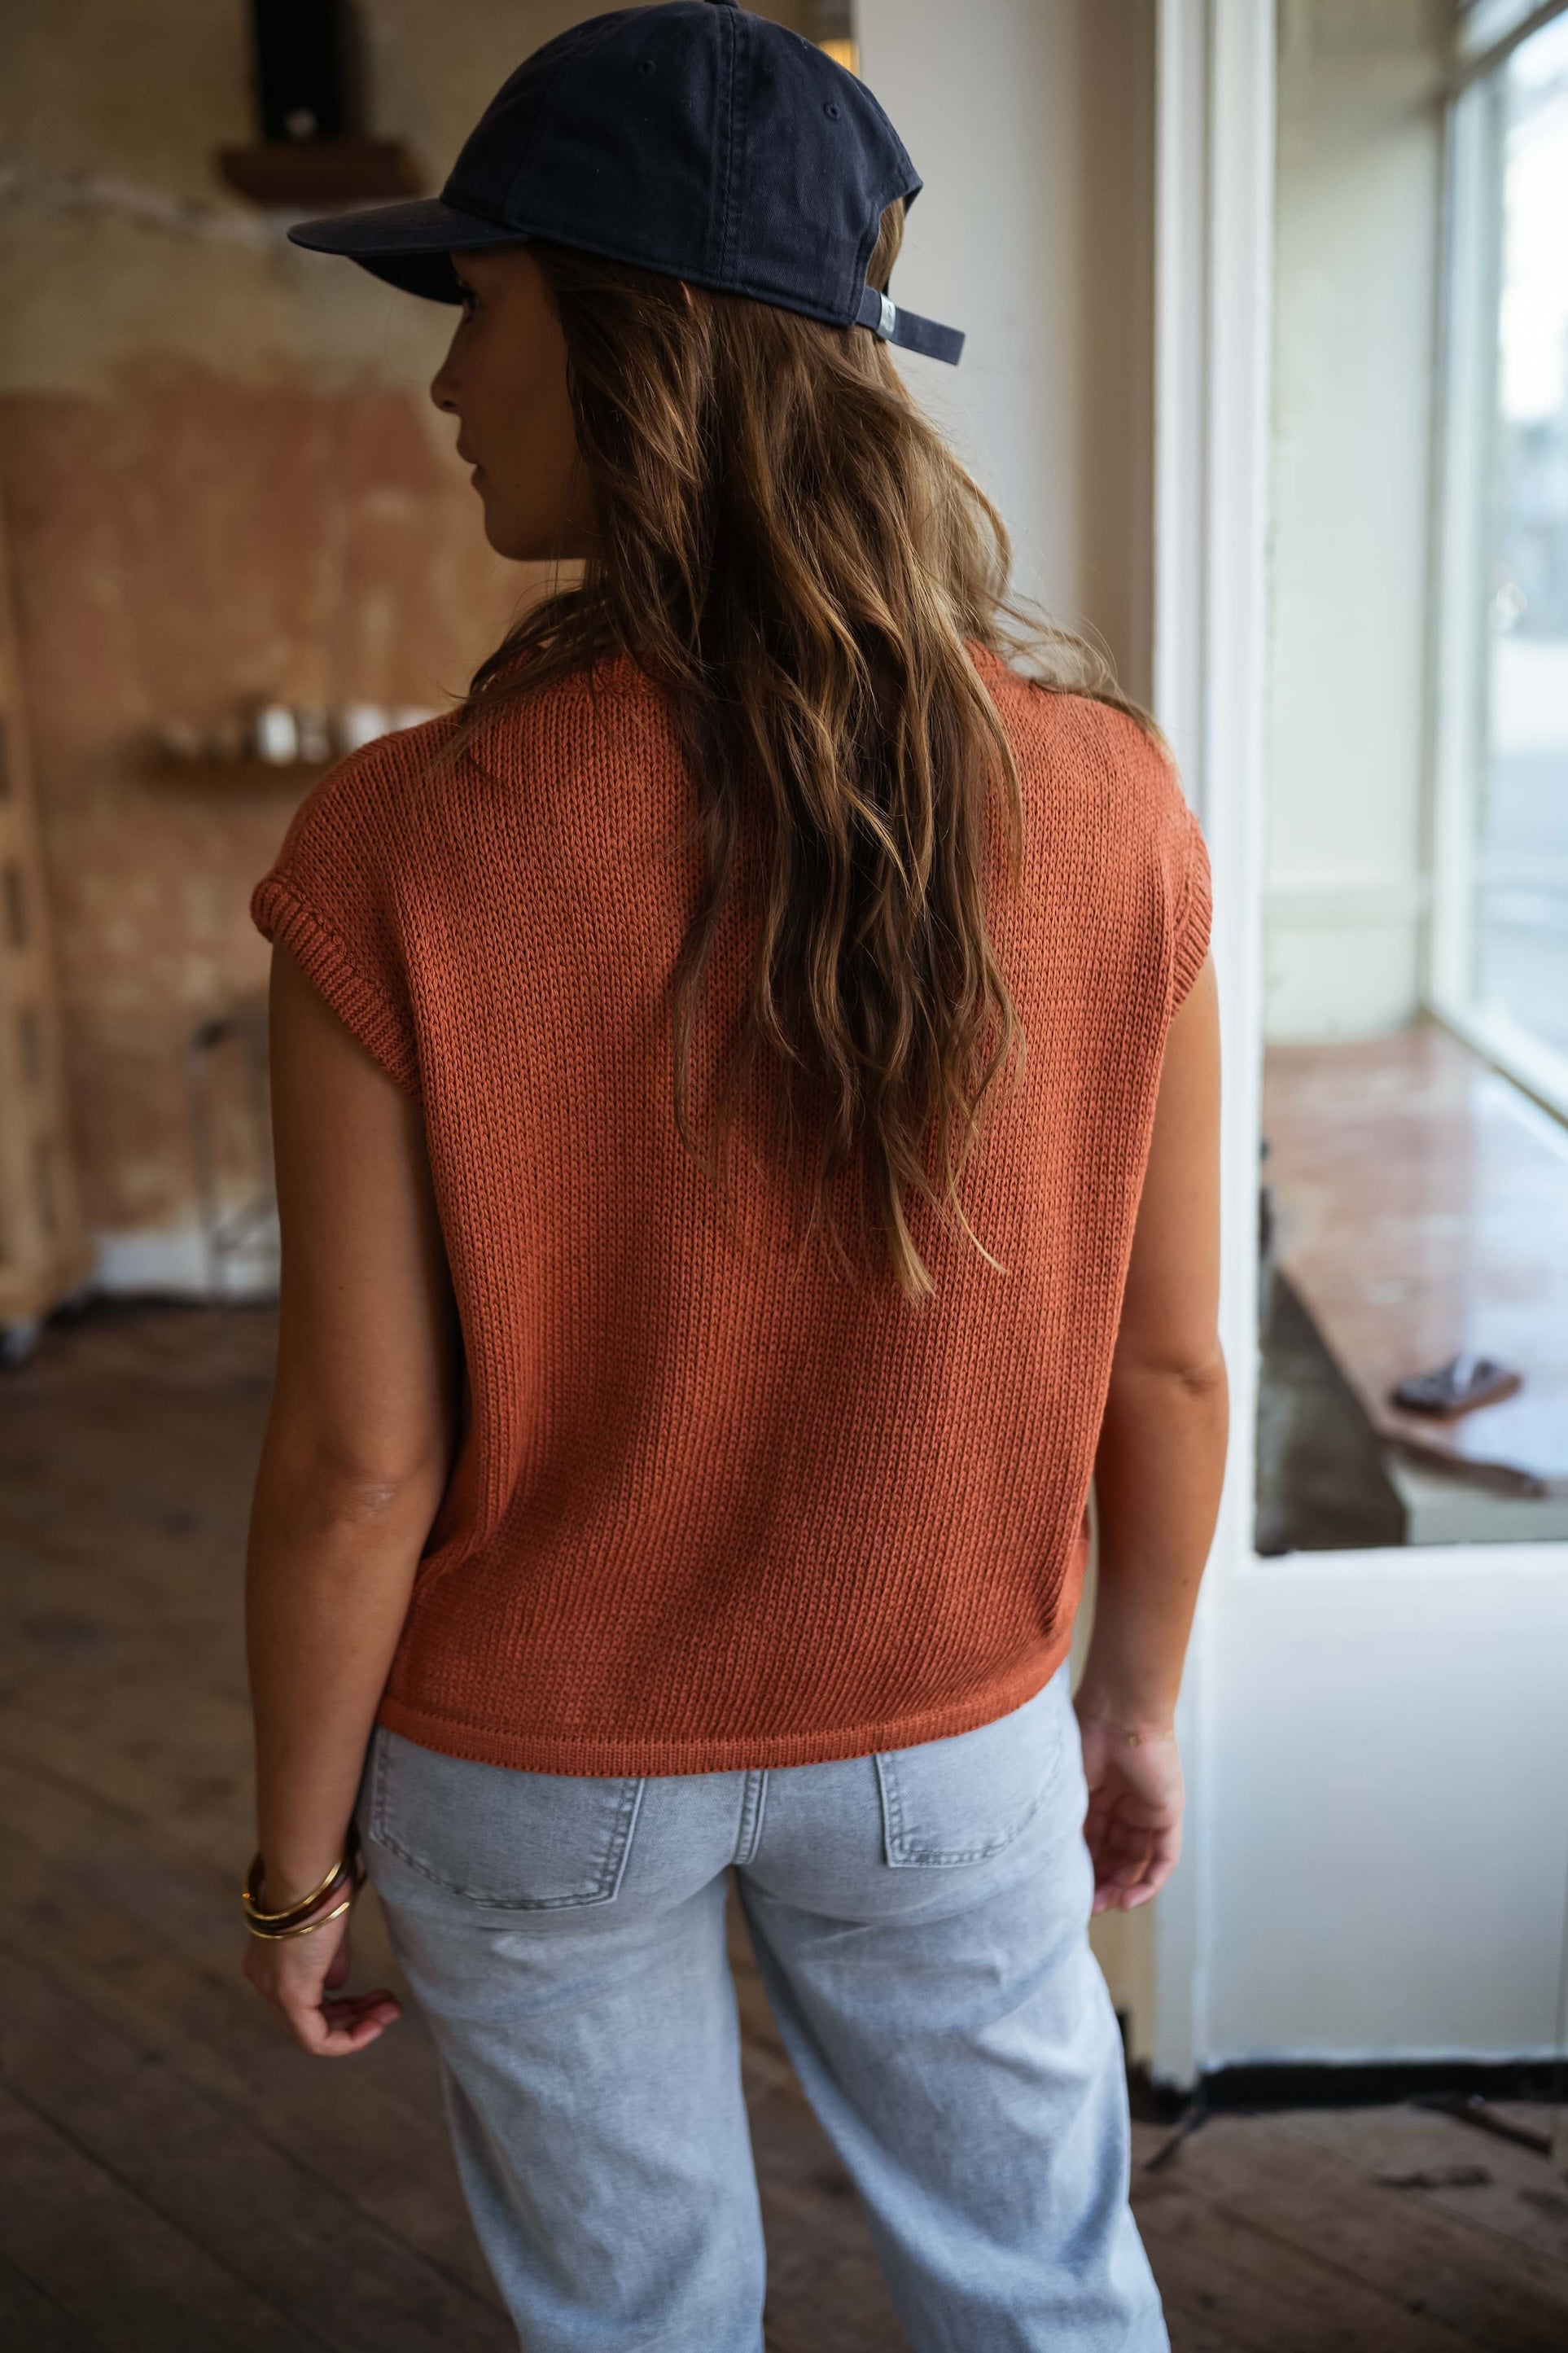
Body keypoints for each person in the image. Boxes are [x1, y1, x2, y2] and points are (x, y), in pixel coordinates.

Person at [239, 7, 1227, 2347]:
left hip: (528, 1764)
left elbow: (360, 1463)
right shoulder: (1108, 802)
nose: (446, 387)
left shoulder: (398, 844)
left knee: (637, 2321)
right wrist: (1138, 1701)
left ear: (623, 337)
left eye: (476, 309)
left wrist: (293, 1870)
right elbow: (1172, 1360)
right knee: (1050, 2295)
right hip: (943, 1727)